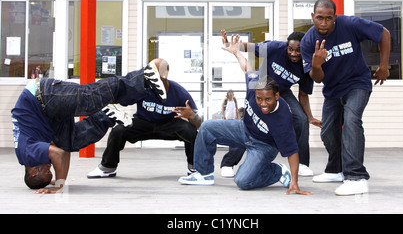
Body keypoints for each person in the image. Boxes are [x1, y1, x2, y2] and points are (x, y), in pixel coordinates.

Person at [179, 34, 312, 195]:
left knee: (242, 181)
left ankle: (278, 172)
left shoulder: (283, 116)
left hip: (263, 146)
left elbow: (292, 152)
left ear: (277, 96)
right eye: (259, 98)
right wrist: (236, 52)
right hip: (244, 130)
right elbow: (246, 66)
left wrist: (295, 182)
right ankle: (204, 174)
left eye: (268, 99)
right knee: (207, 127)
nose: (263, 103)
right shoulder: (253, 84)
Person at [11, 61, 167, 194]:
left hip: (42, 96)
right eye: (49, 170)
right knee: (69, 142)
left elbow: (58, 155)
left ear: (32, 171)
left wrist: (59, 185)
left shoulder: (27, 154)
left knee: (89, 98)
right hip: (48, 114)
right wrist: (59, 181)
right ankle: (105, 115)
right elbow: (63, 151)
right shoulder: (30, 153)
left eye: (45, 170)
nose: (49, 166)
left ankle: (143, 76)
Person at [300, 0, 391, 196]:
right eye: (319, 18)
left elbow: (383, 33)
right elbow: (317, 79)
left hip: (357, 83)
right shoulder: (308, 42)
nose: (323, 23)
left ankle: (356, 177)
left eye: (328, 18)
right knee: (327, 133)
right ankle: (336, 169)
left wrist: (384, 65)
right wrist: (316, 65)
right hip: (332, 89)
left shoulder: (350, 24)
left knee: (351, 121)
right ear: (312, 17)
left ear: (335, 17)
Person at [221, 30, 321, 176]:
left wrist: (310, 117)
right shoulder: (275, 47)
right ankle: (228, 163)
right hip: (262, 84)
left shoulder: (306, 65)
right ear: (286, 47)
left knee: (301, 120)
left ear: (304, 50)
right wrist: (231, 45)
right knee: (249, 121)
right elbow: (250, 46)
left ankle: (302, 164)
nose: (294, 53)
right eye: (291, 49)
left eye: (298, 51)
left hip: (282, 92)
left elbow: (303, 95)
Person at [87, 58, 202, 179]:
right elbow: (124, 101)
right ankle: (107, 168)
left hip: (168, 124)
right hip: (143, 122)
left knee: (191, 131)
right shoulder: (142, 88)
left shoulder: (179, 92)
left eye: (156, 71)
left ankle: (194, 168)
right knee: (118, 131)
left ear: (166, 72)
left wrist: (192, 116)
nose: (152, 75)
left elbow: (198, 123)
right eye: (150, 71)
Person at [219, 89, 243, 178]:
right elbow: (223, 107)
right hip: (227, 118)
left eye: (231, 93)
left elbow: (236, 108)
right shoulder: (225, 100)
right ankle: (228, 163)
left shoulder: (235, 99)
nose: (231, 94)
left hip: (234, 118)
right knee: (233, 137)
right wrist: (224, 116)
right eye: (229, 93)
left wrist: (238, 117)